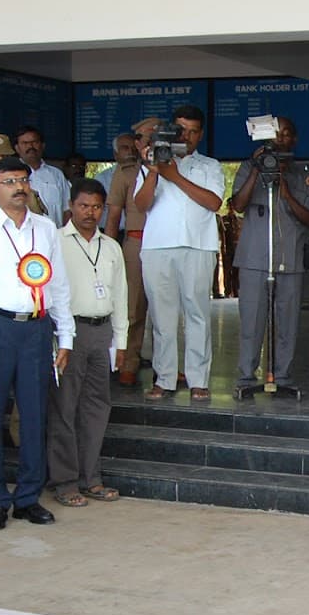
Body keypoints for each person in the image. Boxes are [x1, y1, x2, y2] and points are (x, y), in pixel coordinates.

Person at [0, 156, 74, 530]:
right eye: (9, 181)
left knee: (35, 414)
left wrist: (65, 336)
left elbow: (58, 286)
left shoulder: (46, 228)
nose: (18, 187)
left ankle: (27, 498)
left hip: (36, 329)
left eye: (23, 180)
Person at [134, 105, 223, 401]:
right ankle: (165, 378)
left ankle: (198, 378)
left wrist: (173, 176)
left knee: (197, 313)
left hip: (199, 245)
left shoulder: (209, 165)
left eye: (193, 131)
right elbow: (141, 204)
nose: (186, 135)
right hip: (158, 245)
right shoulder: (154, 161)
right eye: (181, 129)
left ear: (200, 135)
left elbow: (213, 203)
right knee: (162, 316)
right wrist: (154, 173)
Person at [49, 179, 126, 508]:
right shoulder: (55, 241)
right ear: (71, 206)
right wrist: (59, 337)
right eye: (83, 205)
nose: (90, 213)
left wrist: (120, 340)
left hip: (101, 331)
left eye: (96, 207)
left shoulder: (111, 246)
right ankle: (65, 481)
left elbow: (121, 294)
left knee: (97, 408)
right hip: (68, 333)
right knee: (65, 409)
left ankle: (91, 478)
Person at [230, 116, 309, 398]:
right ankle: (245, 376)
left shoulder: (302, 173)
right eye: (277, 133)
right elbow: (238, 205)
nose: (282, 138)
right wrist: (258, 169)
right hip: (254, 259)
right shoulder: (247, 167)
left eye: (288, 133)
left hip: (289, 258)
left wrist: (284, 186)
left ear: (295, 139)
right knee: (251, 321)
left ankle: (283, 376)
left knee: (288, 323)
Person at [103, 123, 150, 386]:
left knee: (170, 311)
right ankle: (128, 362)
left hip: (168, 245)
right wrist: (107, 255)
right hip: (136, 243)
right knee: (132, 309)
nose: (138, 146)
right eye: (141, 138)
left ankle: (172, 366)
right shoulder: (125, 172)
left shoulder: (172, 167)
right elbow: (113, 216)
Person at [14, 126, 70, 226]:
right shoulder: (11, 175)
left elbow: (67, 210)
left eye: (35, 142)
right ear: (17, 148)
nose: (30, 146)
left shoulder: (56, 175)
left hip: (54, 236)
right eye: (25, 143)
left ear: (43, 145)